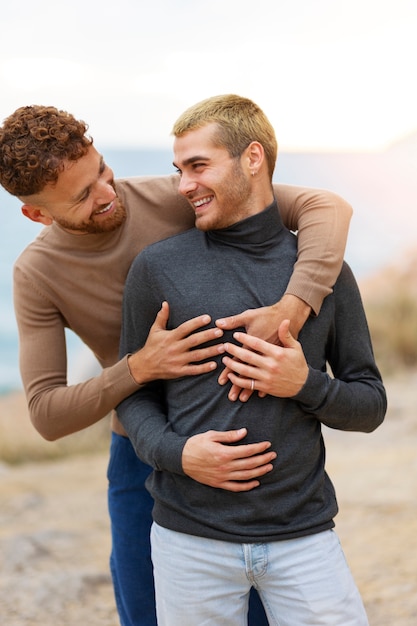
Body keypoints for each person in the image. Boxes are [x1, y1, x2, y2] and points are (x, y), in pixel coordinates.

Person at [0, 104, 353, 626]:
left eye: (102, 170)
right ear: (37, 214)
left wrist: (293, 306)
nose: (106, 193)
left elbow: (328, 208)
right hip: (139, 457)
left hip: (236, 440)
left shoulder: (177, 195)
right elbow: (48, 415)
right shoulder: (37, 274)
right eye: (82, 195)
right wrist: (138, 367)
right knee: (146, 615)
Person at [117, 94, 387, 626]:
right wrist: (177, 453)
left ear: (253, 158)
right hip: (187, 539)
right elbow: (133, 390)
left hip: (304, 537)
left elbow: (370, 404)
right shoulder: (157, 268)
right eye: (178, 171)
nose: (184, 185)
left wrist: (304, 384)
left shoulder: (324, 274)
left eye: (198, 166)